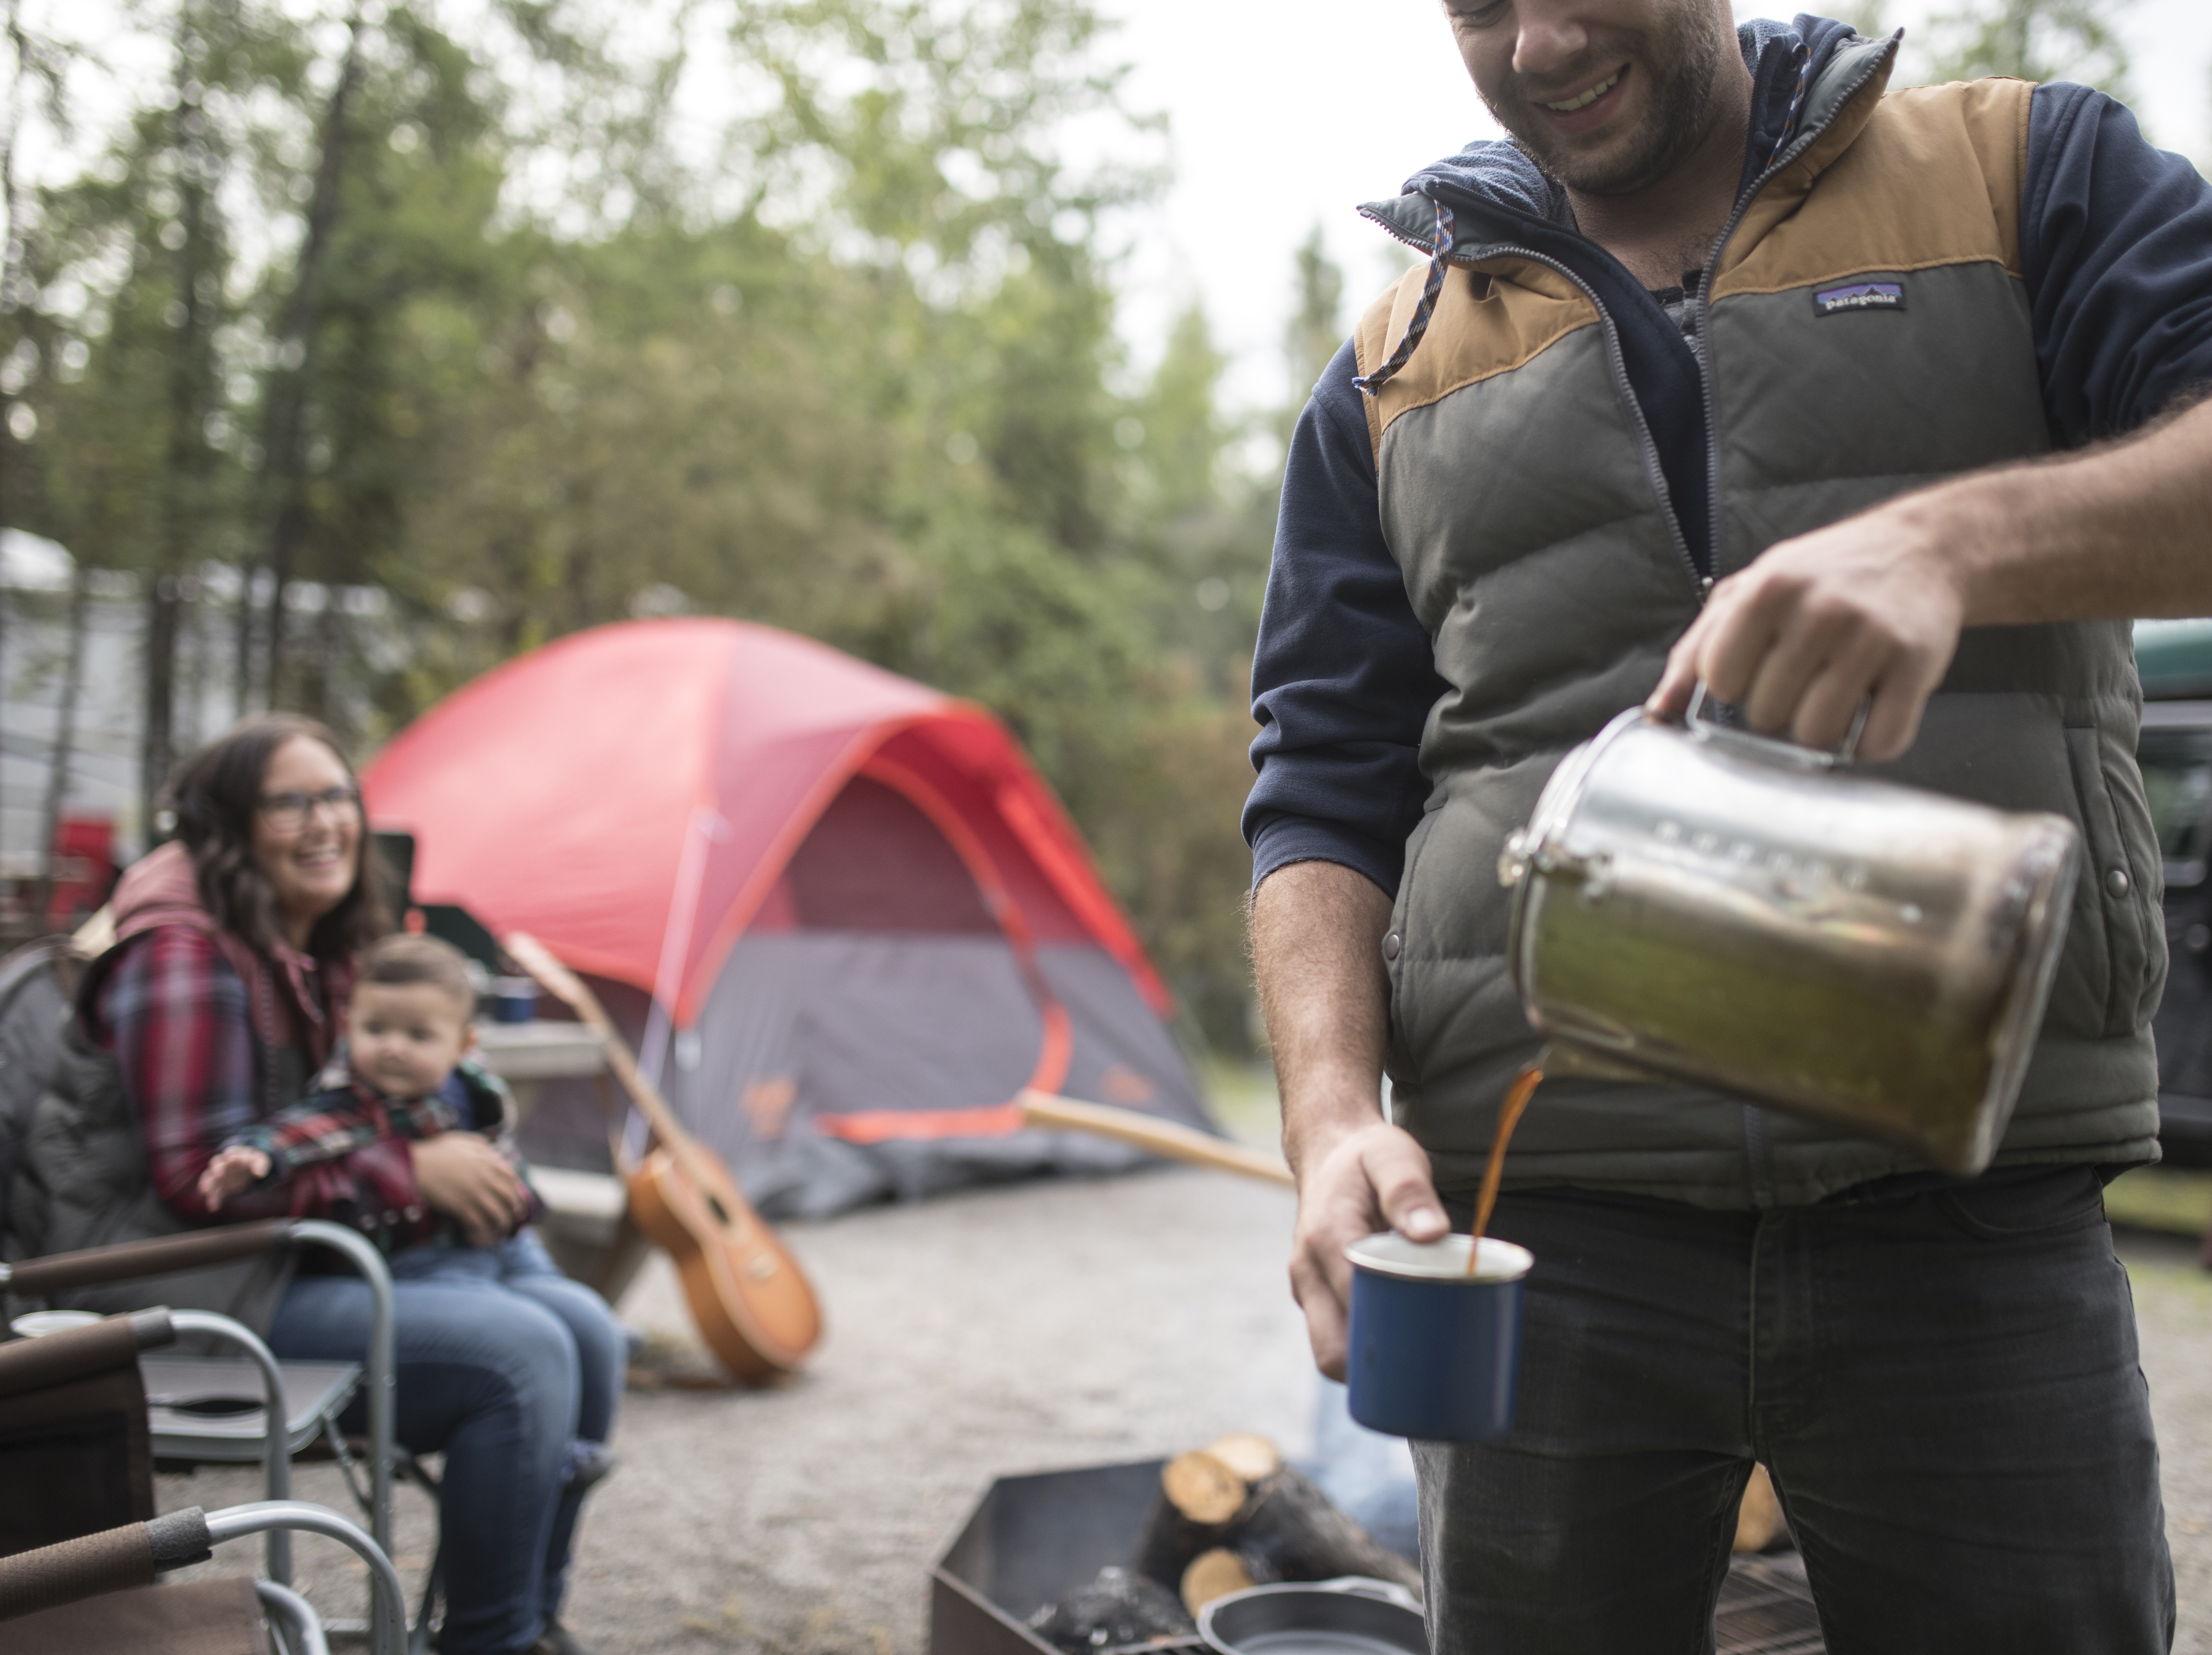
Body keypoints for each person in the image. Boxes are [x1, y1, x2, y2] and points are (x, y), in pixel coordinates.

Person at [1248, 6, 2212, 1652]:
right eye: (1478, 4)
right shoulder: (1391, 370)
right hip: (1538, 1236)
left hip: (1966, 1201)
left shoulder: (2019, 176)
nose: (1538, 41)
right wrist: (1331, 1118)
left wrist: (1953, 548)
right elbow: (1320, 783)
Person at [11, 715, 623, 1655]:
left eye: (337, 794)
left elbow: (370, 1108)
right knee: (521, 1355)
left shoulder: (312, 940)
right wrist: (410, 1172)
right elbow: (200, 1179)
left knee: (588, 1327)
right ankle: (491, 1641)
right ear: (227, 826)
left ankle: (528, 1620)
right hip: (167, 1281)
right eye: (289, 802)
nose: (325, 821)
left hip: (278, 1258)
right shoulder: (183, 953)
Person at [200, 933, 539, 1233]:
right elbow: (307, 1130)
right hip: (424, 1256)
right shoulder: (356, 1100)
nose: (393, 1049)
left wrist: (522, 1206)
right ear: (348, 1026)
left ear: (463, 1046)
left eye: (418, 1035)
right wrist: (258, 1154)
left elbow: (507, 1159)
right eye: (375, 1029)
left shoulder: (476, 1090)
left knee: (557, 1287)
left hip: (496, 1238)